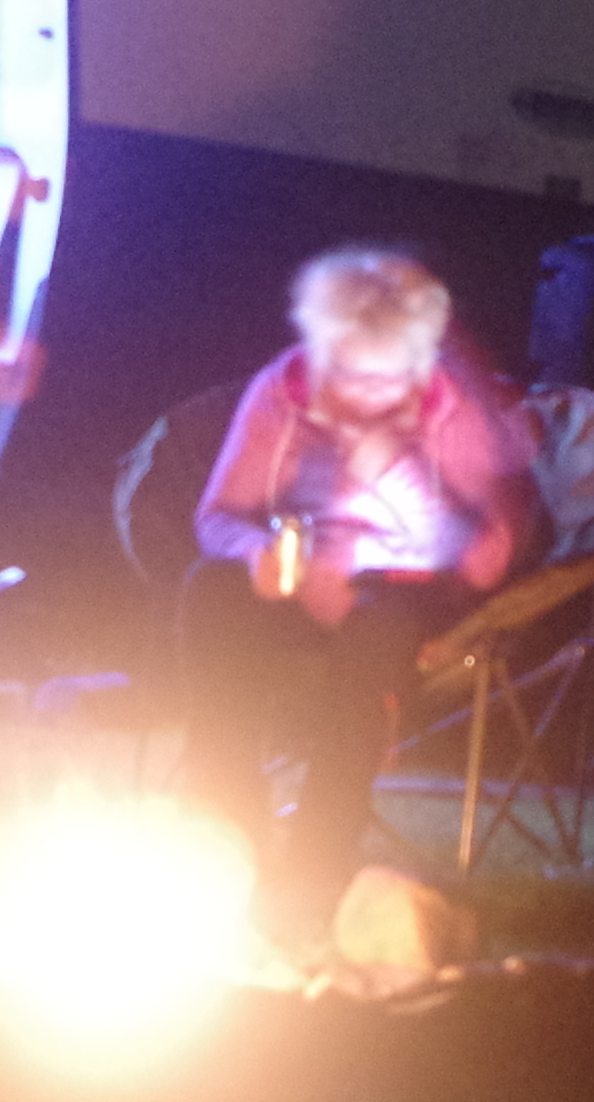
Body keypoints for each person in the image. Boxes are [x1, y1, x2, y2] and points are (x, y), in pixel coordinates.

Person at [181, 243, 548, 896]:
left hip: (411, 598)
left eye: (385, 378)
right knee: (210, 592)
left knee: (375, 632)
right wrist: (252, 553)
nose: (362, 396)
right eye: (345, 373)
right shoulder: (283, 389)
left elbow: (487, 560)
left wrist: (390, 468)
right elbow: (217, 516)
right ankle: (222, 826)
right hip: (303, 581)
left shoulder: (454, 405)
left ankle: (312, 871)